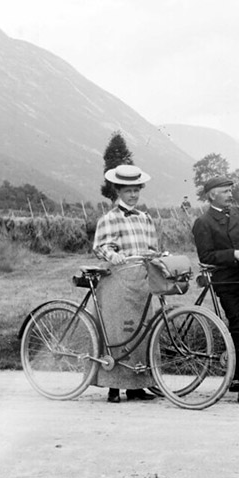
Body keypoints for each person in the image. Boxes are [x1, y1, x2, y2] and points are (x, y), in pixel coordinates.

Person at [191, 176, 239, 404]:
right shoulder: (203, 222)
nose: (229, 194)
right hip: (227, 281)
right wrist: (233, 254)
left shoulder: (237, 213)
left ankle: (237, 376)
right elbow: (206, 257)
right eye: (225, 191)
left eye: (229, 191)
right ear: (212, 194)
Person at [92, 164, 159, 403]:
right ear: (118, 191)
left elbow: (152, 248)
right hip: (118, 281)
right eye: (128, 190)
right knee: (118, 331)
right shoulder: (109, 219)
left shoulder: (144, 218)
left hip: (141, 281)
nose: (133, 195)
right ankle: (114, 387)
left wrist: (157, 257)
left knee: (142, 330)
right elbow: (101, 246)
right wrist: (113, 255)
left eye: (136, 190)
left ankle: (137, 386)